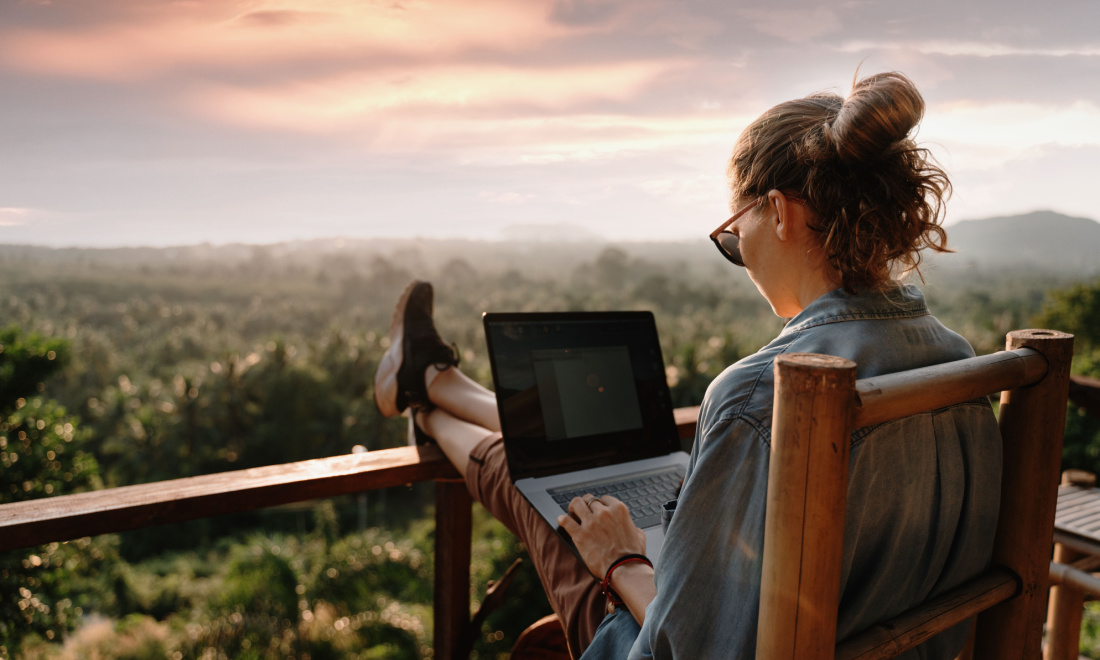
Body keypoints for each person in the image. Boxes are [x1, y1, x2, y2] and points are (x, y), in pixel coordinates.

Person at [372, 71, 1001, 659]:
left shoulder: (764, 394)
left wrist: (621, 561)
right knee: (563, 470)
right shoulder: (959, 364)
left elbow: (686, 649)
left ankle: (427, 398)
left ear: (779, 213)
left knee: (551, 496)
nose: (739, 253)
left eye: (733, 233)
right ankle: (432, 385)